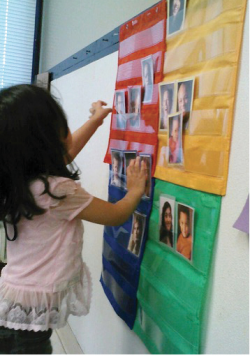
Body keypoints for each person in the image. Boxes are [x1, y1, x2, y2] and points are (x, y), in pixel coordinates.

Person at [0, 84, 147, 354]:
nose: (68, 131)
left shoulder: (17, 180)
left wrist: (94, 121)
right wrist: (136, 190)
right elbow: (115, 215)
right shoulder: (58, 190)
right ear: (45, 141)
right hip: (32, 312)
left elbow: (63, 155)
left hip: (14, 298)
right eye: (62, 126)